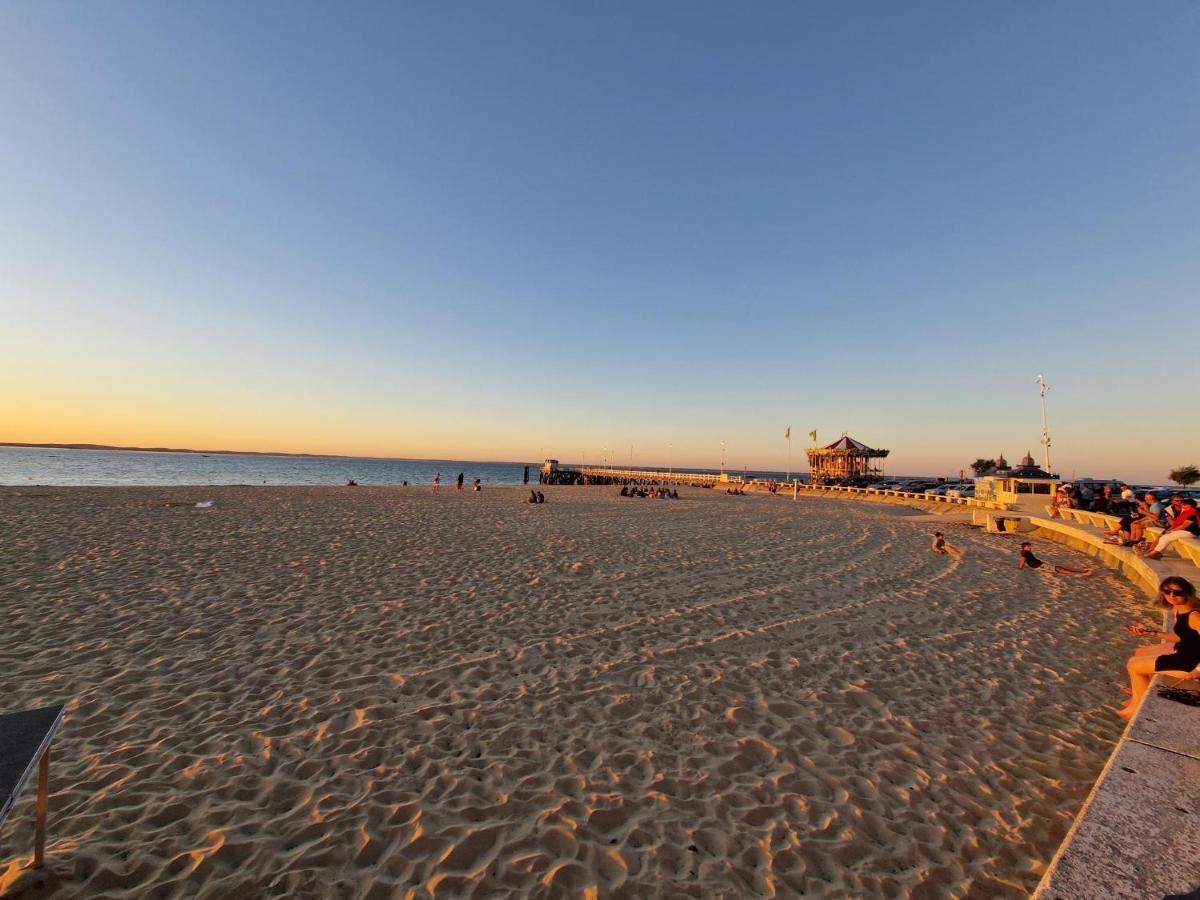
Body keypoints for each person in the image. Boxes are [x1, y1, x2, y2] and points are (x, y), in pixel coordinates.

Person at [1119, 577, 1200, 719]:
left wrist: (1197, 671)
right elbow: (1183, 636)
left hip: (1190, 662)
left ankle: (1135, 711)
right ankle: (1138, 693)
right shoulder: (1179, 609)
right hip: (1186, 648)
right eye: (1167, 592)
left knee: (1134, 666)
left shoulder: (1195, 616)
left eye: (1177, 592)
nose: (1171, 596)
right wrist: (1152, 633)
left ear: (1188, 593)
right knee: (1140, 652)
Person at [1017, 541, 1093, 577]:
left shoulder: (1025, 552)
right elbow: (1023, 559)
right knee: (1059, 569)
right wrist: (1020, 568)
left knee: (1059, 568)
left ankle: (1082, 572)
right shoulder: (1025, 552)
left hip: (1040, 565)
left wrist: (1022, 566)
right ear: (1024, 547)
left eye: (1030, 546)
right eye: (1028, 546)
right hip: (1039, 566)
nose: (1030, 547)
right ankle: (1083, 574)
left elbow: (1022, 560)